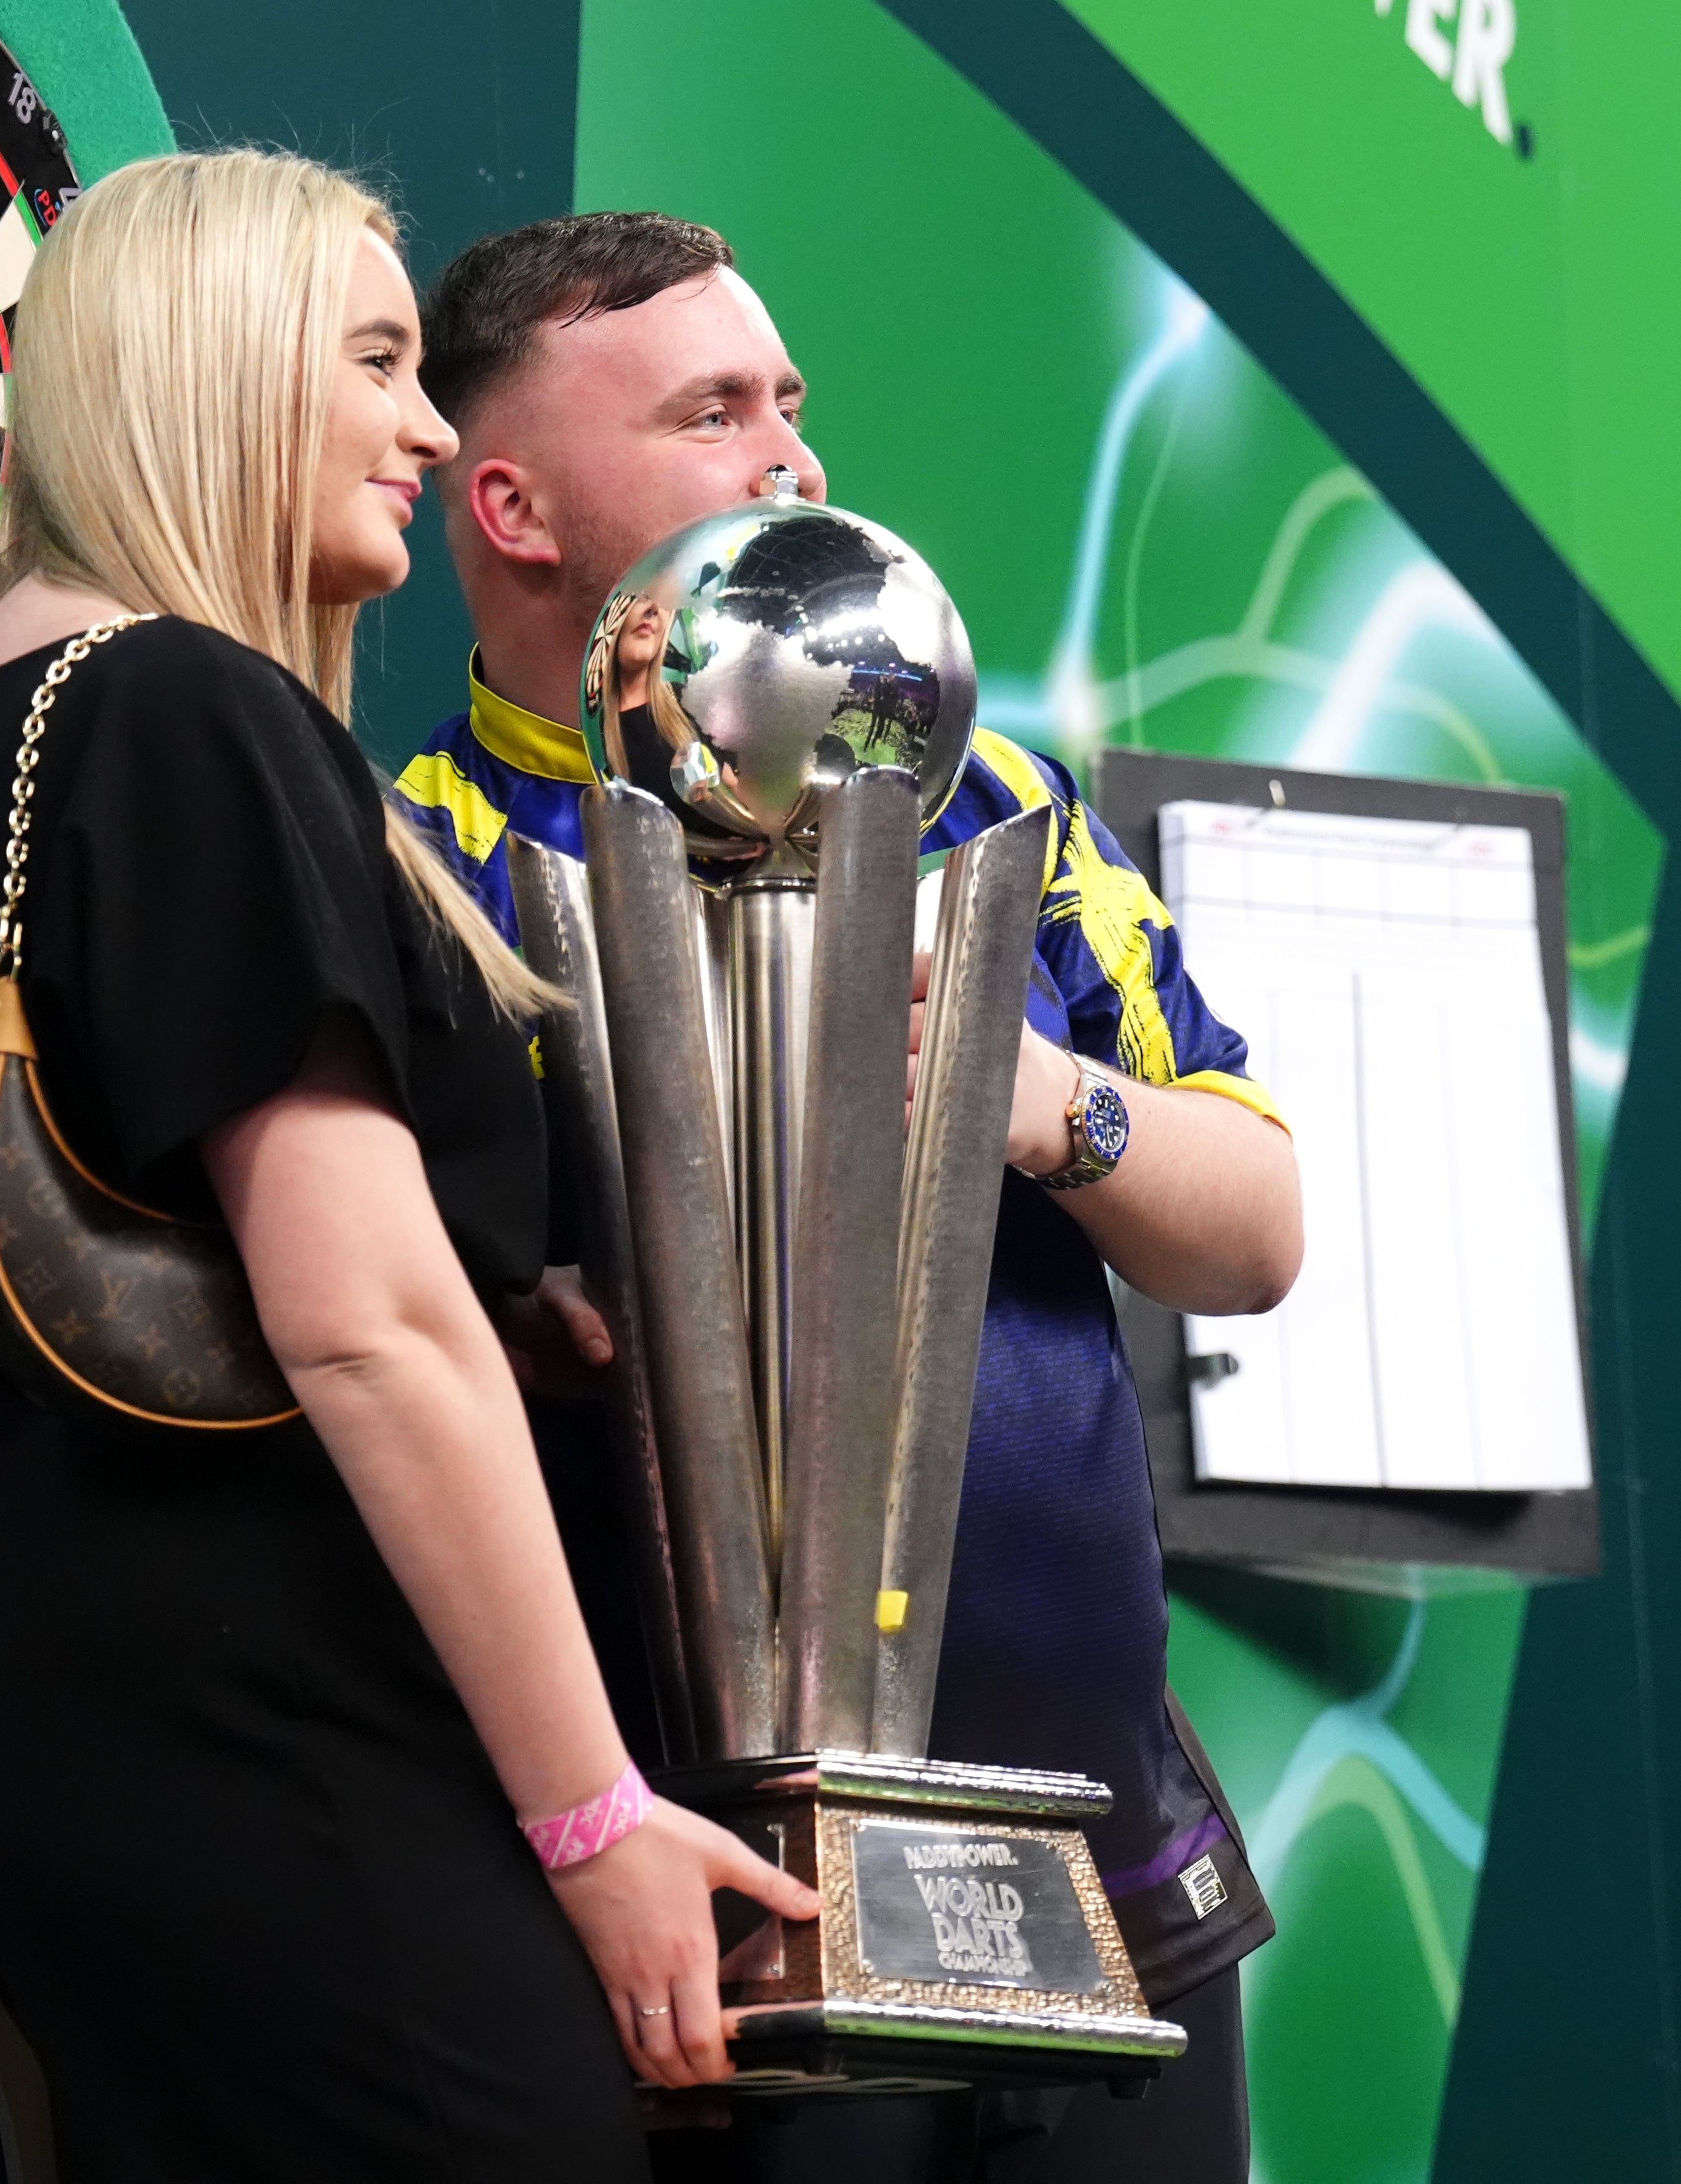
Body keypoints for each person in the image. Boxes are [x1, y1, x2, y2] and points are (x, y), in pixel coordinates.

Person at [0, 156, 814, 2180]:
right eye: (374, 361)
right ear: (199, 369)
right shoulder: (194, 710)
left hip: (89, 1698)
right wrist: (593, 1821)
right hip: (256, 1712)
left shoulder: (10, 727)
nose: (429, 425)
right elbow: (363, 1328)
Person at [393, 212, 1304, 2182]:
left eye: (790, 407)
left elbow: (1259, 1230)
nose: (789, 465)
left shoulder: (995, 803)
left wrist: (1050, 1106)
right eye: (711, 413)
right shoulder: (417, 858)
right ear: (513, 504)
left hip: (1099, 1874)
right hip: (705, 1908)